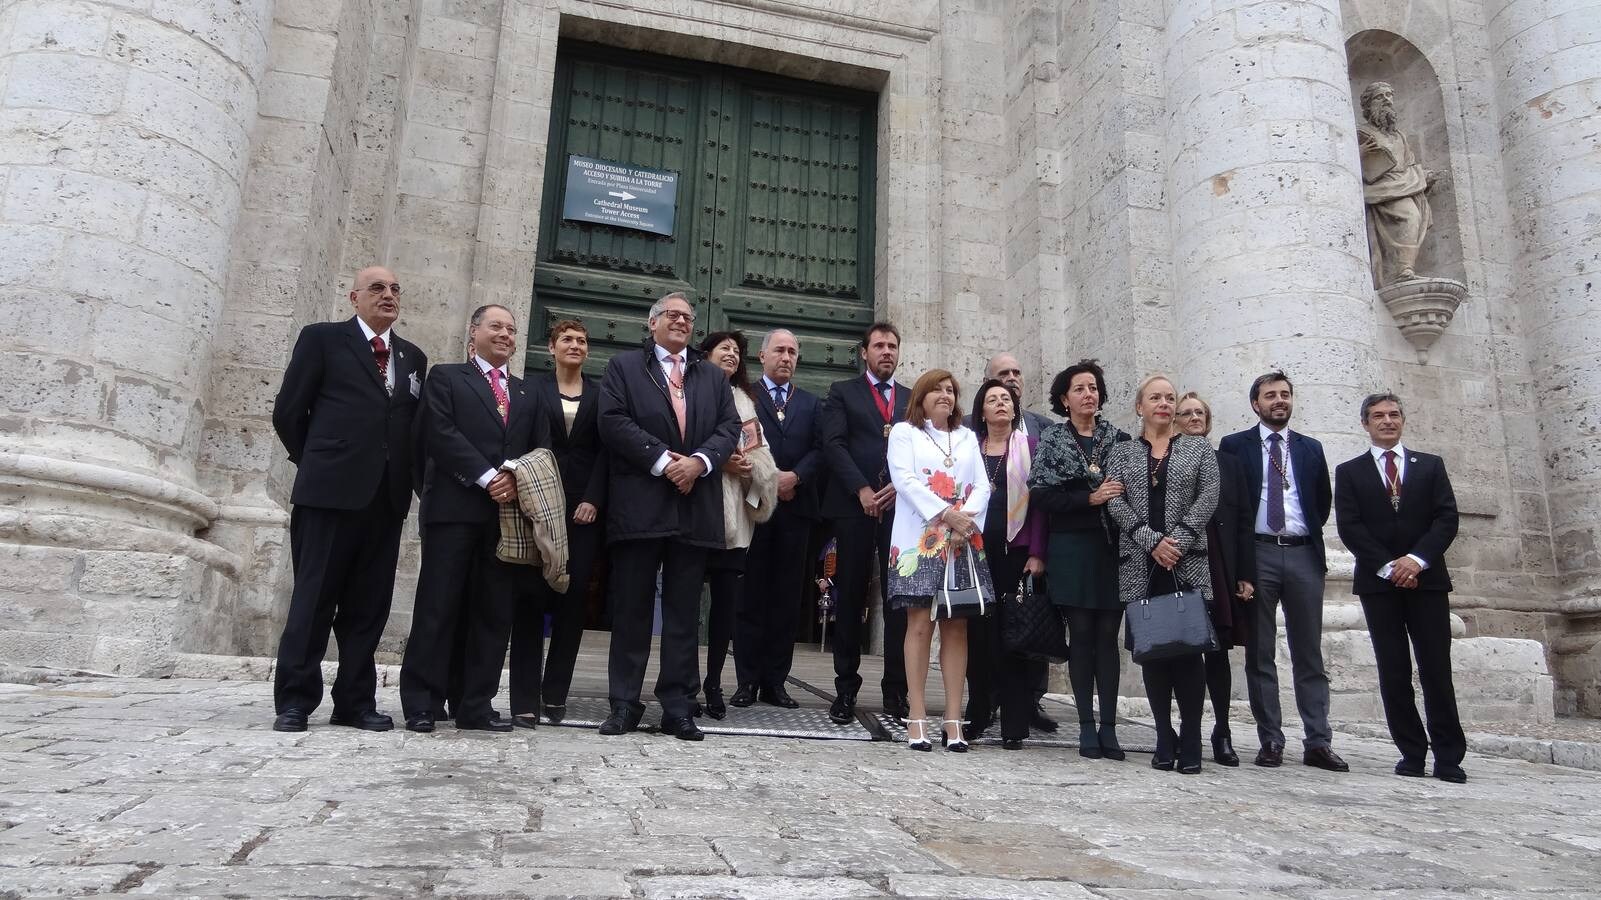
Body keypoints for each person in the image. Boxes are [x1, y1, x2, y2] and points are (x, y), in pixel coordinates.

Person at [269, 265, 427, 733]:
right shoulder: (321, 339)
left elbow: (411, 429)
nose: (388, 295)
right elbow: (288, 412)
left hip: (386, 500)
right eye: (377, 288)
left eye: (395, 289)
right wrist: (318, 461)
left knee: (368, 605)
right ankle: (295, 700)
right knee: (314, 598)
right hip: (328, 494)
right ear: (354, 297)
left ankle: (355, 701)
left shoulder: (413, 357)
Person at [596, 292, 740, 741]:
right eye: (672, 315)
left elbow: (729, 427)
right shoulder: (623, 367)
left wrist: (698, 462)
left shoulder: (711, 376)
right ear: (652, 321)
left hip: (694, 506)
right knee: (633, 611)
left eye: (688, 318)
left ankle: (678, 706)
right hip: (641, 505)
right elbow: (613, 421)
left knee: (683, 615)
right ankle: (623, 703)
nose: (680, 322)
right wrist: (664, 461)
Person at [399, 304, 542, 734]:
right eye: (496, 326)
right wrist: (486, 477)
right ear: (473, 331)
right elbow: (438, 434)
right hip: (454, 510)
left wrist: (516, 481)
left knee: (492, 612)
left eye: (512, 329)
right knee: (438, 607)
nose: (505, 334)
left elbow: (541, 448)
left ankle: (475, 703)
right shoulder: (445, 377)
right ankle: (422, 702)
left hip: (506, 518)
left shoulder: (526, 392)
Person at [1218, 371, 1347, 772]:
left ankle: (1318, 741)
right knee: (1260, 653)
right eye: (1270, 395)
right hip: (1258, 554)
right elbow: (1234, 505)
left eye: (1285, 395)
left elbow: (1321, 502)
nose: (1279, 401)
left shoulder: (1311, 448)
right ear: (1255, 403)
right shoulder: (1235, 446)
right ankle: (1270, 738)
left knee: (1309, 651)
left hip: (1303, 553)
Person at [1335, 393, 1466, 783]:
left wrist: (1416, 561)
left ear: (1403, 420)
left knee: (1436, 670)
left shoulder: (1429, 466)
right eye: (1378, 416)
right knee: (1394, 671)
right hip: (1380, 585)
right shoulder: (1350, 471)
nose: (1387, 421)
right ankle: (1411, 752)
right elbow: (1350, 527)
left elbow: (1446, 518)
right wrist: (1390, 566)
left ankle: (1448, 756)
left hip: (1427, 582)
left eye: (1393, 415)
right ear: (1365, 424)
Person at [1106, 376, 1220, 773]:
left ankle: (1191, 738)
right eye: (1155, 398)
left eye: (1170, 398)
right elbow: (1114, 500)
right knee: (1152, 655)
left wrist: (1179, 540)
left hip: (1186, 562)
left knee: (1189, 655)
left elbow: (1209, 495)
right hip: (1140, 564)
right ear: (1140, 407)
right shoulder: (1121, 452)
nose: (1164, 404)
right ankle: (1162, 737)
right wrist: (1150, 540)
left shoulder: (1198, 448)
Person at [507, 320, 608, 729]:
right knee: (529, 601)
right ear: (551, 347)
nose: (575, 345)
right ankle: (524, 698)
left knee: (572, 601)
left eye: (582, 340)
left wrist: (593, 500)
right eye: (567, 339)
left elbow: (607, 453)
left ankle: (556, 694)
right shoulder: (532, 390)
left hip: (583, 512)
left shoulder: (602, 395)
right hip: (538, 507)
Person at [1027, 360, 1129, 759]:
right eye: (1080, 388)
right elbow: (1041, 496)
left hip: (1112, 551)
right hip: (1071, 549)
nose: (1089, 394)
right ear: (1064, 399)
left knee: (1108, 640)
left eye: (1094, 387)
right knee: (1082, 637)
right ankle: (1086, 725)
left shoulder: (1120, 441)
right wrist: (1088, 498)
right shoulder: (1052, 441)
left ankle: (1109, 727)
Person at [885, 370, 991, 751]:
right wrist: (947, 514)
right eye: (937, 389)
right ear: (922, 396)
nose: (945, 395)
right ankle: (915, 713)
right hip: (919, 539)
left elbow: (981, 483)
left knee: (956, 626)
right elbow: (905, 479)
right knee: (918, 626)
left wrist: (966, 519)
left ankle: (952, 717)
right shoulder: (904, 433)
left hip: (962, 539)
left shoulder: (966, 437)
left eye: (951, 390)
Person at [819, 322, 910, 724]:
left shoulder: (912, 398)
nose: (886, 352)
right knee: (851, 597)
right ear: (864, 352)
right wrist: (861, 489)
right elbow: (833, 444)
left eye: (892, 346)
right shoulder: (843, 393)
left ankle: (896, 692)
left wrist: (896, 487)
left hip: (900, 511)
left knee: (899, 602)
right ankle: (845, 689)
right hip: (853, 507)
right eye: (879, 346)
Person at [733, 328, 821, 709]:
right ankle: (746, 681)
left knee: (786, 600)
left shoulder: (812, 403)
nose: (786, 358)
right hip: (755, 508)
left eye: (792, 352)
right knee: (750, 596)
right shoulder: (744, 398)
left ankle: (776, 682)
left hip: (796, 509)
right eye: (779, 351)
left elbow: (821, 449)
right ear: (762, 356)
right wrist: (768, 479)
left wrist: (795, 476)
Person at [972, 353, 1058, 735]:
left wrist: (1038, 552)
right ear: (982, 410)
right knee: (978, 634)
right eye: (993, 398)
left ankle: (1015, 723)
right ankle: (978, 713)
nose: (1002, 401)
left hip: (1017, 552)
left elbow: (1040, 505)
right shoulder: (967, 448)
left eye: (1006, 398)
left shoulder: (1031, 446)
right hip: (973, 553)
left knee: (1016, 634)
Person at [696, 330, 778, 718]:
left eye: (736, 351)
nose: (731, 354)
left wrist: (750, 469)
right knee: (682, 608)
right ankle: (681, 684)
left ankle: (714, 683)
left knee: (725, 609)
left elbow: (760, 455)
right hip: (695, 510)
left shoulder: (746, 401)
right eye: (723, 348)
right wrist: (717, 460)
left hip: (734, 517)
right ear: (706, 354)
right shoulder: (688, 389)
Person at [1173, 392, 1255, 766]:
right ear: (1174, 421)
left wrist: (1245, 574)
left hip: (1218, 562)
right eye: (1185, 413)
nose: (1193, 418)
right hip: (1177, 560)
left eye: (1199, 413)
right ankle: (1182, 728)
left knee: (1218, 650)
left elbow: (1243, 521)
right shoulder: (1167, 459)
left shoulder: (1229, 463)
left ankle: (1222, 729)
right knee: (1177, 649)